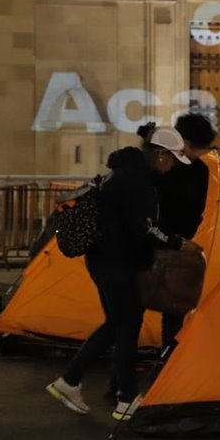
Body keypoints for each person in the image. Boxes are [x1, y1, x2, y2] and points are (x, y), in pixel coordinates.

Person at [45, 126, 190, 421]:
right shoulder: (137, 181)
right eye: (171, 159)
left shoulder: (123, 173)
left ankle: (70, 381)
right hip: (117, 263)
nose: (172, 165)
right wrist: (177, 243)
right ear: (160, 154)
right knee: (127, 326)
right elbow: (145, 228)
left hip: (102, 260)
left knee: (116, 323)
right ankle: (126, 399)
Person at [140, 114, 217, 353]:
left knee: (173, 308)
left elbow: (196, 209)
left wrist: (181, 239)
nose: (196, 154)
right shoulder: (159, 164)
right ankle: (124, 376)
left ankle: (166, 360)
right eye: (194, 147)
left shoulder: (199, 170)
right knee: (136, 308)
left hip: (176, 246)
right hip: (151, 245)